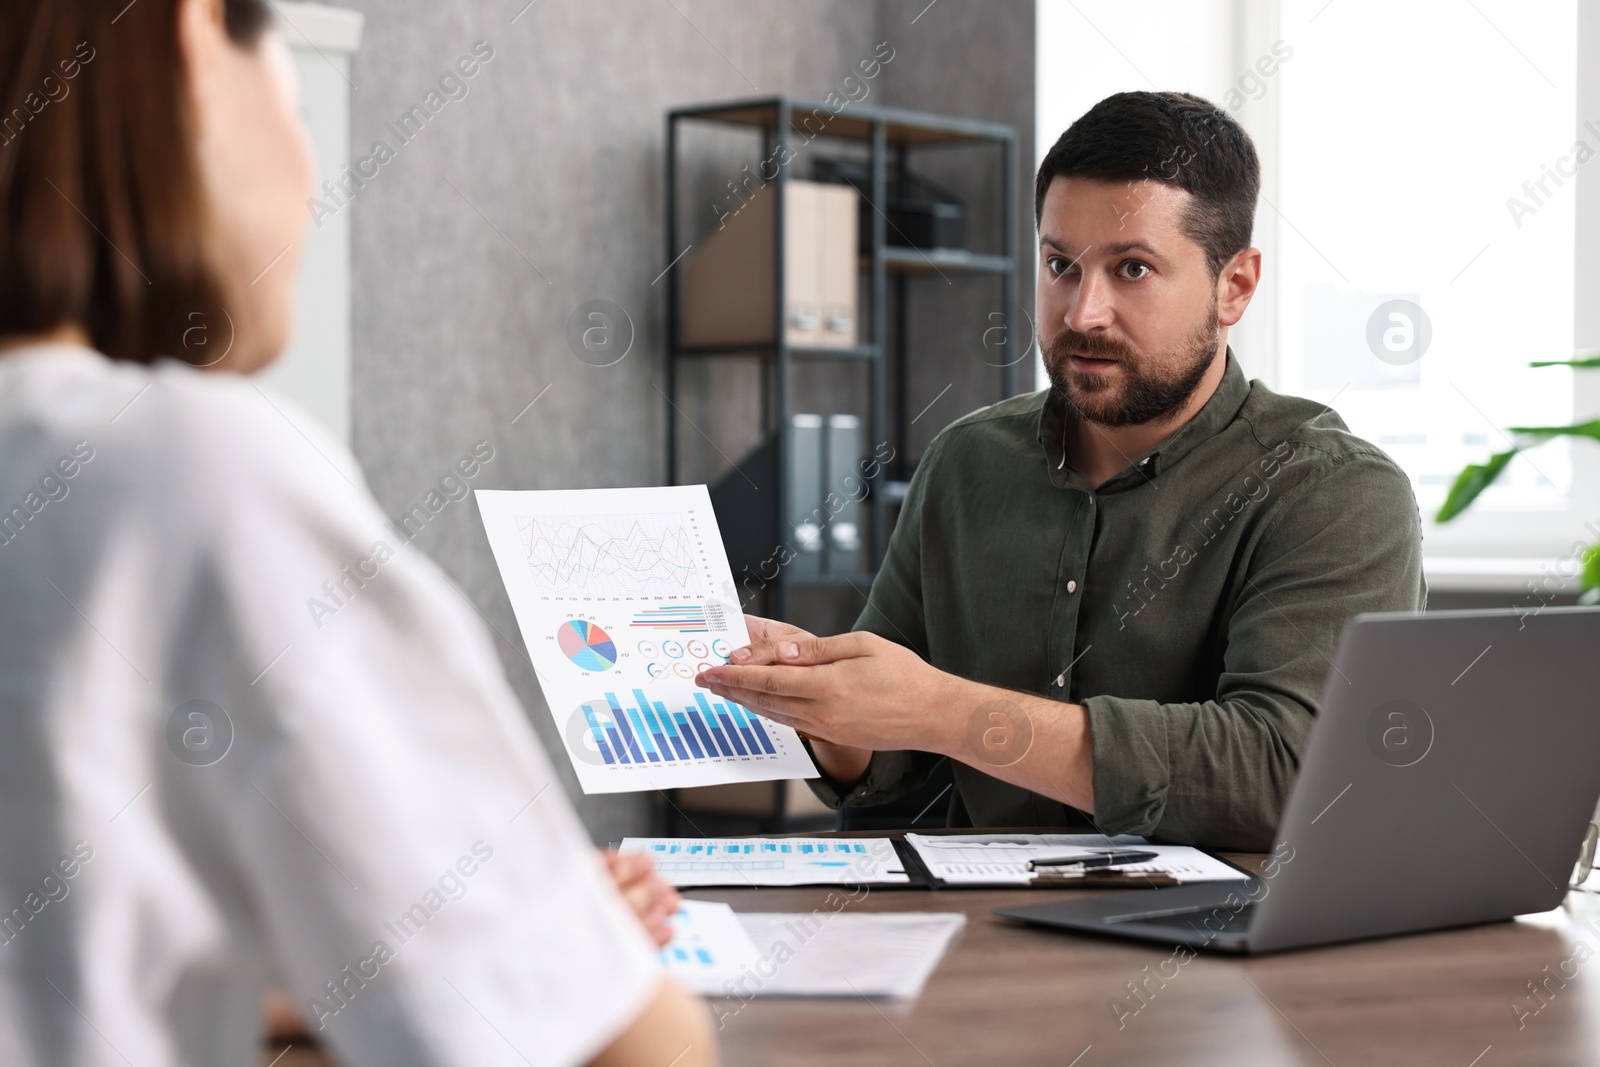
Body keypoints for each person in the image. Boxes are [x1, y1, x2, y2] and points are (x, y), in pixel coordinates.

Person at [0, 1, 713, 1064]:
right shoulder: (184, 471)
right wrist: (556, 957)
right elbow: (629, 1050)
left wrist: (297, 981)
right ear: (198, 44)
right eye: (296, 111)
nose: (307, 181)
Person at [696, 91, 1426, 853]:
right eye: (1059, 266)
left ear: (1234, 285)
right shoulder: (966, 462)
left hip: (1218, 951)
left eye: (1133, 269)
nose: (1082, 313)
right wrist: (812, 695)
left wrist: (946, 710)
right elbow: (889, 757)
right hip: (987, 942)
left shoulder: (1333, 490)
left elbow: (1287, 775)